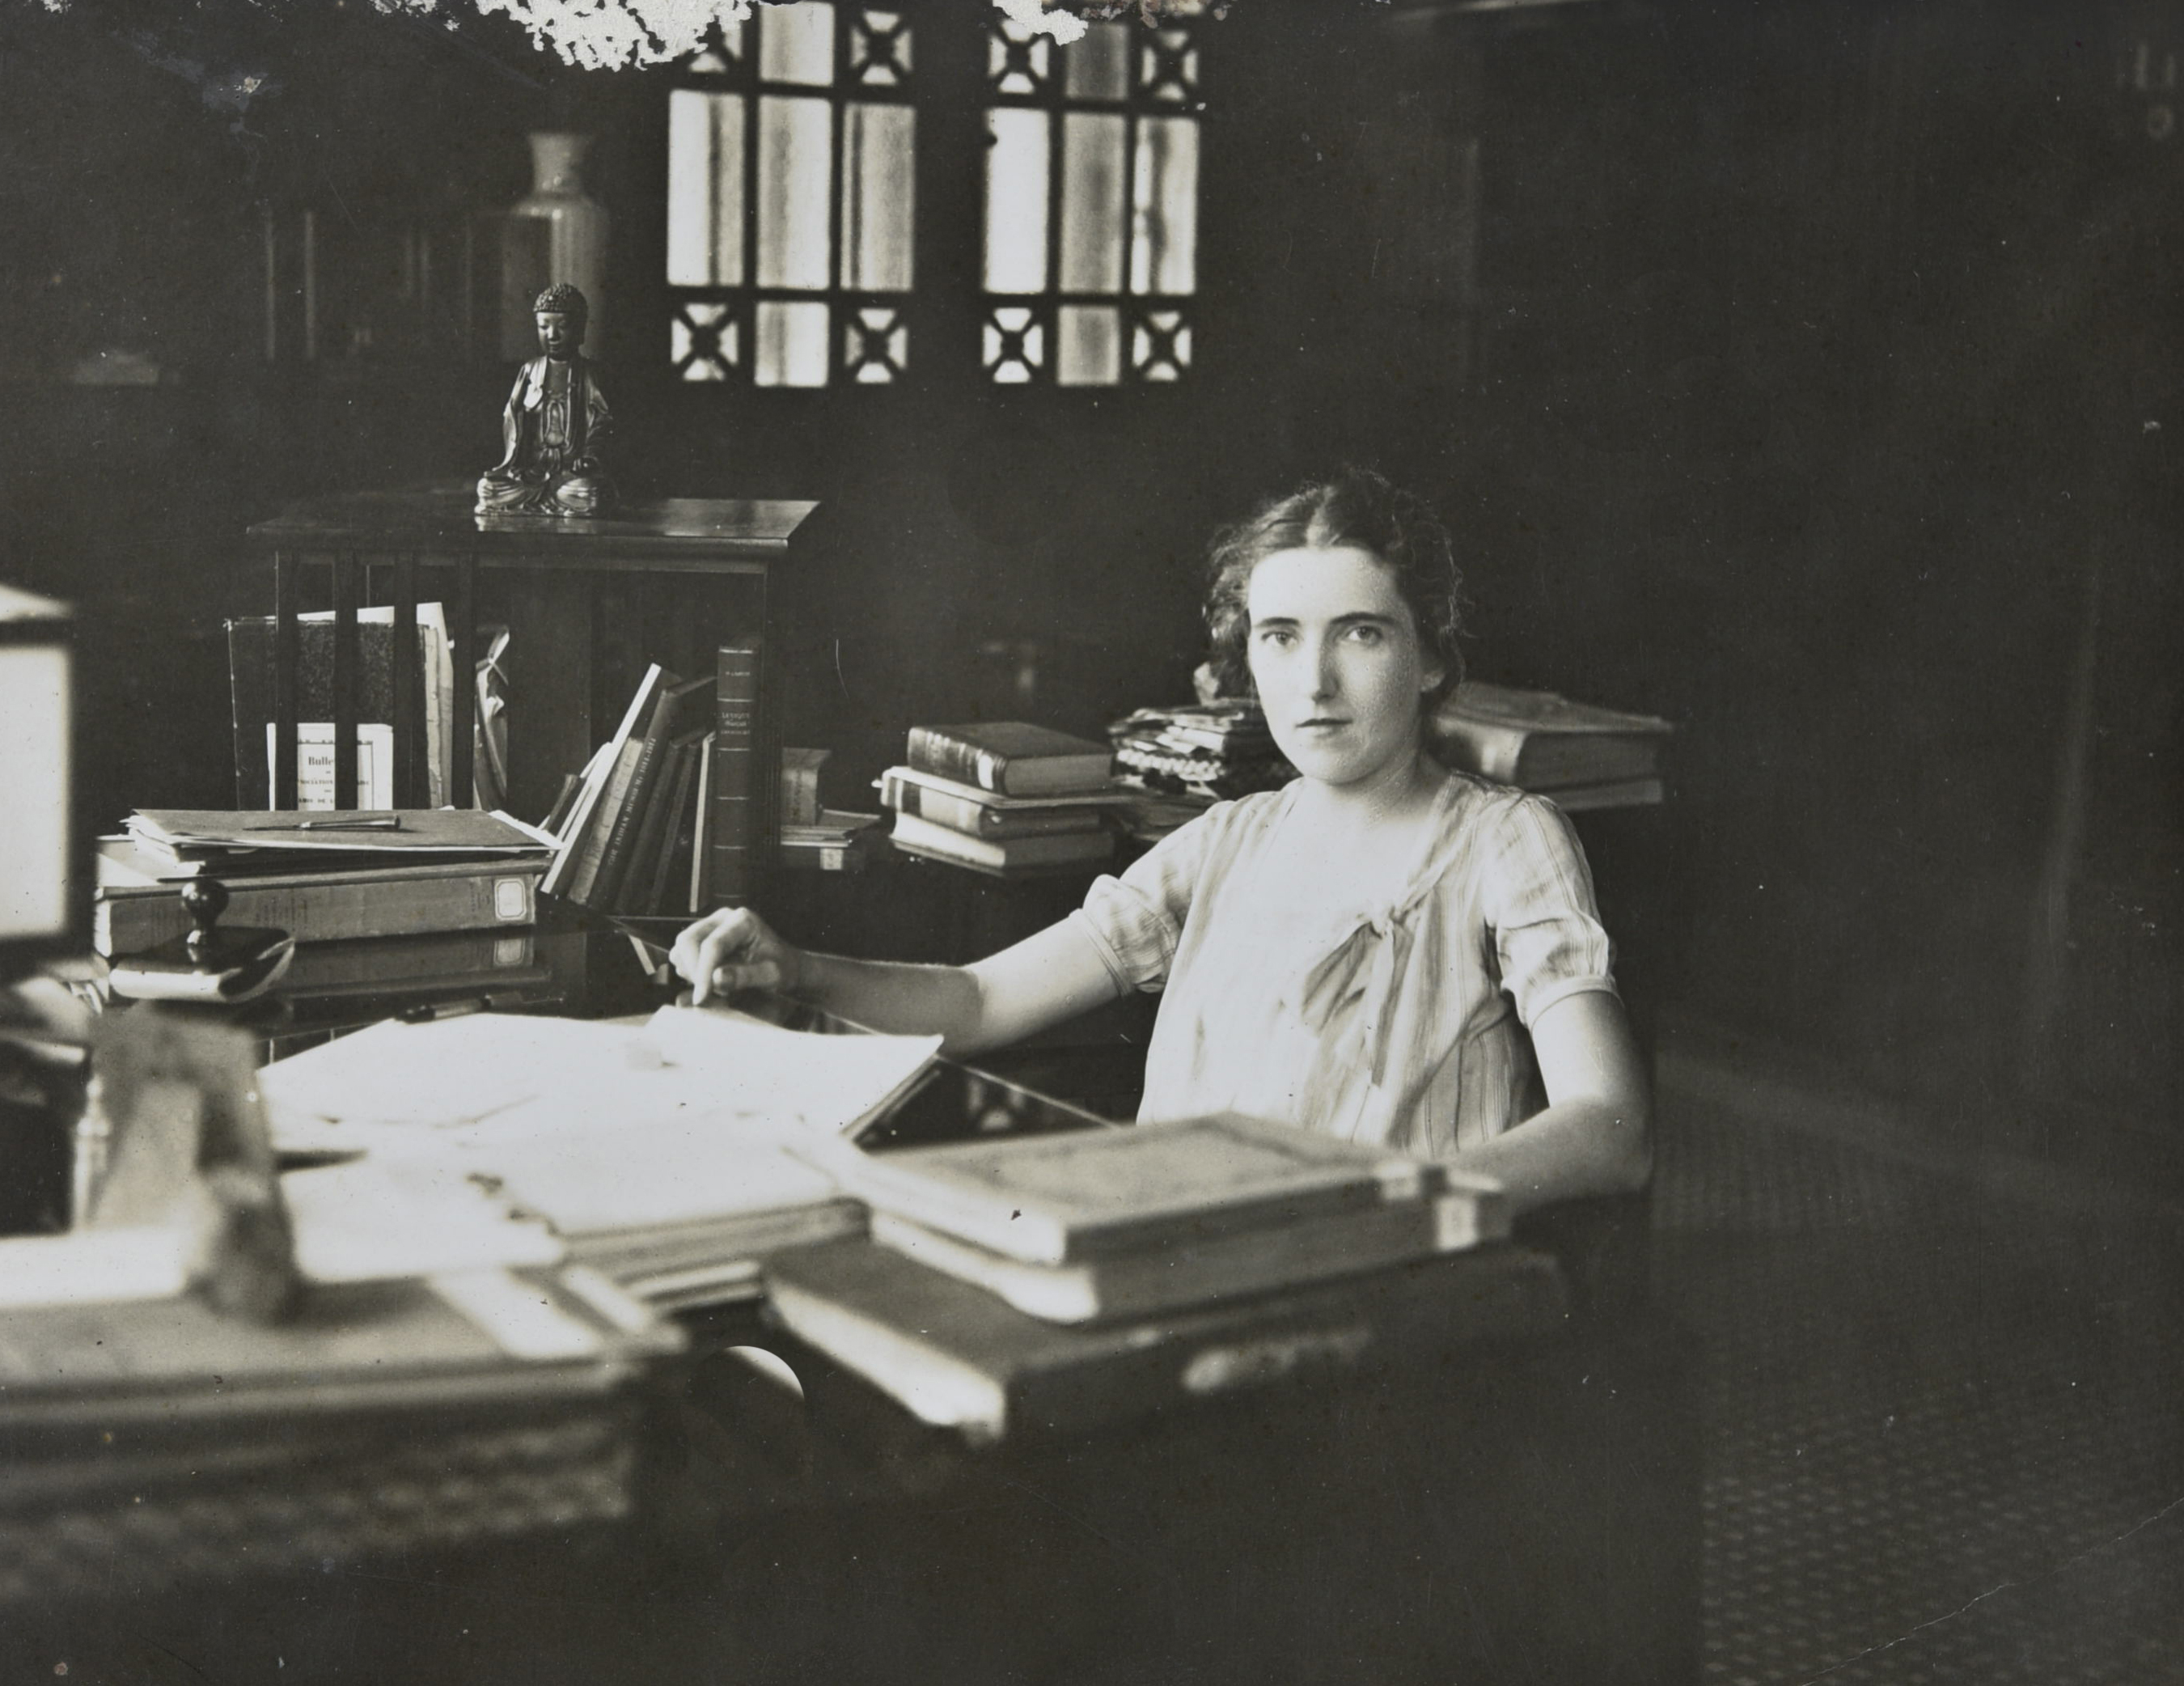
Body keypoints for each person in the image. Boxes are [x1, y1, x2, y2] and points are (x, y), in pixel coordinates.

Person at [669, 468, 1649, 1214]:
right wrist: (798, 968)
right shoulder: (1224, 841)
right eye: (1278, 635)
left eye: (1359, 634)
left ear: (1431, 654)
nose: (1311, 681)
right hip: (1178, 1250)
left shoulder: (1502, 840)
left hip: (1381, 1272)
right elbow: (976, 998)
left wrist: (1390, 1201)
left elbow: (1608, 1126)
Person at [477, 282, 612, 518]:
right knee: (489, 490)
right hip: (533, 473)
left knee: (590, 493)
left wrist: (589, 457)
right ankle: (547, 501)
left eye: (563, 326)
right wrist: (518, 453)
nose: (553, 335)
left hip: (572, 475)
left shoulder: (588, 373)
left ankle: (558, 500)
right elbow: (511, 415)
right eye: (544, 326)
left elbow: (601, 420)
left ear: (580, 331)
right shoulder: (530, 370)